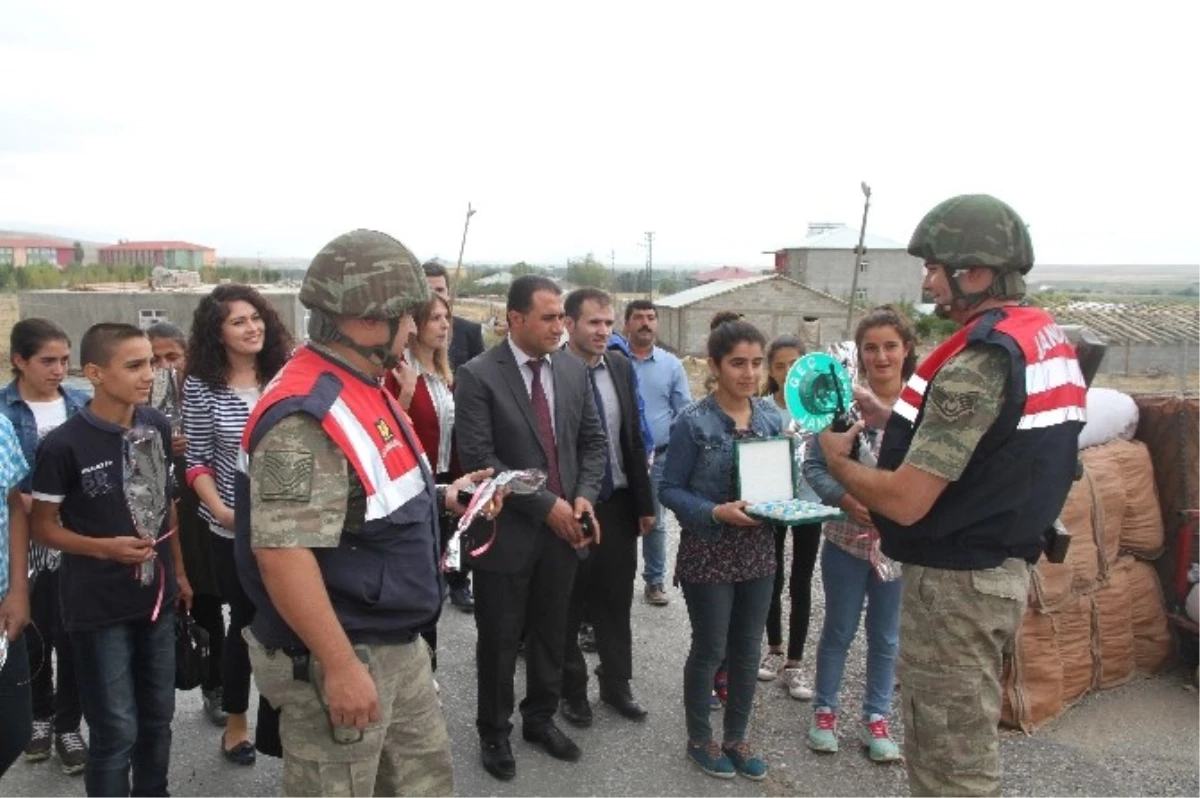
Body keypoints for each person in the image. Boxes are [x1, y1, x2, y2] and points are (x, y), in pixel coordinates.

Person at [818, 195, 1087, 797]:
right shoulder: (1044, 341)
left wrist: (839, 463)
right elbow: (999, 448)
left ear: (977, 273)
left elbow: (909, 501)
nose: (928, 278)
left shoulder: (976, 361)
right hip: (999, 570)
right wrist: (891, 417)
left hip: (958, 590)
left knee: (951, 764)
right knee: (963, 739)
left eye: (936, 266)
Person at [236, 229, 491, 797]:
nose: (415, 328)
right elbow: (282, 553)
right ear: (374, 320)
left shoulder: (363, 385)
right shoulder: (308, 415)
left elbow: (369, 497)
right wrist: (342, 667)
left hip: (392, 648)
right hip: (345, 658)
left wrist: (449, 497)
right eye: (409, 316)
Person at [454, 275, 608, 781]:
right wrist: (547, 506)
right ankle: (493, 732)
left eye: (562, 316)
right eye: (548, 317)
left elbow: (592, 442)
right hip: (508, 534)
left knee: (552, 631)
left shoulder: (570, 369)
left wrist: (583, 496)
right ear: (514, 319)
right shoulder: (478, 374)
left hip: (564, 532)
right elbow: (480, 457)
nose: (559, 326)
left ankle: (539, 718)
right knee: (499, 640)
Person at [30, 322, 192, 797]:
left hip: (156, 600)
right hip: (98, 607)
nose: (150, 375)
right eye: (136, 365)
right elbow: (42, 526)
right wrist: (105, 547)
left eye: (154, 363)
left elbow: (168, 506)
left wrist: (179, 571)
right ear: (95, 373)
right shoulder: (63, 445)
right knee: (115, 729)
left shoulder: (156, 426)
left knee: (158, 720)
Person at [659, 316, 781, 781]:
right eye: (737, 364)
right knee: (710, 648)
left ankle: (736, 738)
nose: (749, 373)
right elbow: (669, 489)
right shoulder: (693, 422)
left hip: (758, 553)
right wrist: (714, 512)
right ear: (714, 365)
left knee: (747, 649)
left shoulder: (772, 418)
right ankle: (699, 739)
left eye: (756, 363)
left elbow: (783, 485)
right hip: (709, 550)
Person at [802, 306, 918, 763]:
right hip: (846, 541)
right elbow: (813, 464)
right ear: (860, 353)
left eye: (890, 346)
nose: (881, 356)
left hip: (898, 546)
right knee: (838, 629)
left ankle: (876, 718)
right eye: (871, 347)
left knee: (887, 637)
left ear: (906, 349)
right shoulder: (840, 404)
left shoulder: (919, 409)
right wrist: (847, 501)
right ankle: (824, 712)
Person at [183, 283, 291, 765]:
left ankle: (283, 721)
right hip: (232, 526)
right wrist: (225, 511)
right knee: (245, 623)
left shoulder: (287, 372)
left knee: (292, 619)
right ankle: (236, 722)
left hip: (292, 521)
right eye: (237, 321)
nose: (252, 328)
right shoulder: (202, 385)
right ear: (217, 332)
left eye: (255, 317)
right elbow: (197, 462)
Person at [558, 288, 656, 729]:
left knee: (615, 603)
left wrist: (644, 501)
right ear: (568, 323)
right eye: (593, 322)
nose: (603, 331)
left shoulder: (619, 366)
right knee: (568, 605)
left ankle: (616, 684)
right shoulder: (552, 372)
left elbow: (632, 438)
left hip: (616, 505)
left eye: (608, 323)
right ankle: (572, 692)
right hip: (570, 509)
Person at [0, 319, 89, 774]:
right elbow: (13, 492)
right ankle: (40, 714)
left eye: (64, 360)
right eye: (47, 361)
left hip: (71, 535)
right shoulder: (4, 411)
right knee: (31, 632)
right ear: (19, 361)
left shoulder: (82, 403)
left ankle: (69, 724)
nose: (58, 370)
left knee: (72, 633)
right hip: (25, 541)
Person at [147, 322, 227, 728]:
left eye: (171, 357)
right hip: (160, 510)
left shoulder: (204, 390)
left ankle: (217, 686)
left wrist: (188, 441)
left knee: (209, 599)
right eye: (154, 358)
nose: (163, 366)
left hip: (201, 505)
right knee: (173, 602)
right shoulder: (139, 397)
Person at [384, 291, 466, 665]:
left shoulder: (447, 376)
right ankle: (420, 668)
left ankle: (426, 668)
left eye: (446, 317)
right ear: (414, 325)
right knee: (419, 584)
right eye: (434, 318)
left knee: (435, 582)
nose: (444, 325)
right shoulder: (399, 371)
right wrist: (403, 397)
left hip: (447, 485)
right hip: (414, 488)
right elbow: (382, 436)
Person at [754, 334, 820, 702]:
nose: (787, 372)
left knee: (802, 581)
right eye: (780, 365)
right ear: (771, 369)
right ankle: (774, 647)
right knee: (772, 576)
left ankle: (795, 662)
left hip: (810, 505)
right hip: (771, 506)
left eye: (794, 365)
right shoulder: (762, 409)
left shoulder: (817, 409)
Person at [622, 300, 691, 607]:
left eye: (651, 318)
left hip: (658, 458)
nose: (646, 323)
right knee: (617, 521)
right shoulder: (613, 359)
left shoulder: (671, 365)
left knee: (655, 521)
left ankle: (654, 581)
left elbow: (684, 412)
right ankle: (615, 582)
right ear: (626, 324)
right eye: (638, 318)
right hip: (619, 456)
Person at [0, 414, 32, 780]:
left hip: (3, 608)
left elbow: (13, 505)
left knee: (12, 730)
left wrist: (19, 589)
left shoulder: (1, 426)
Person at [423, 261, 485, 373]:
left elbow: (481, 377)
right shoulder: (407, 333)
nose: (434, 296)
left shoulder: (470, 331)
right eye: (428, 291)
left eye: (439, 290)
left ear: (448, 293)